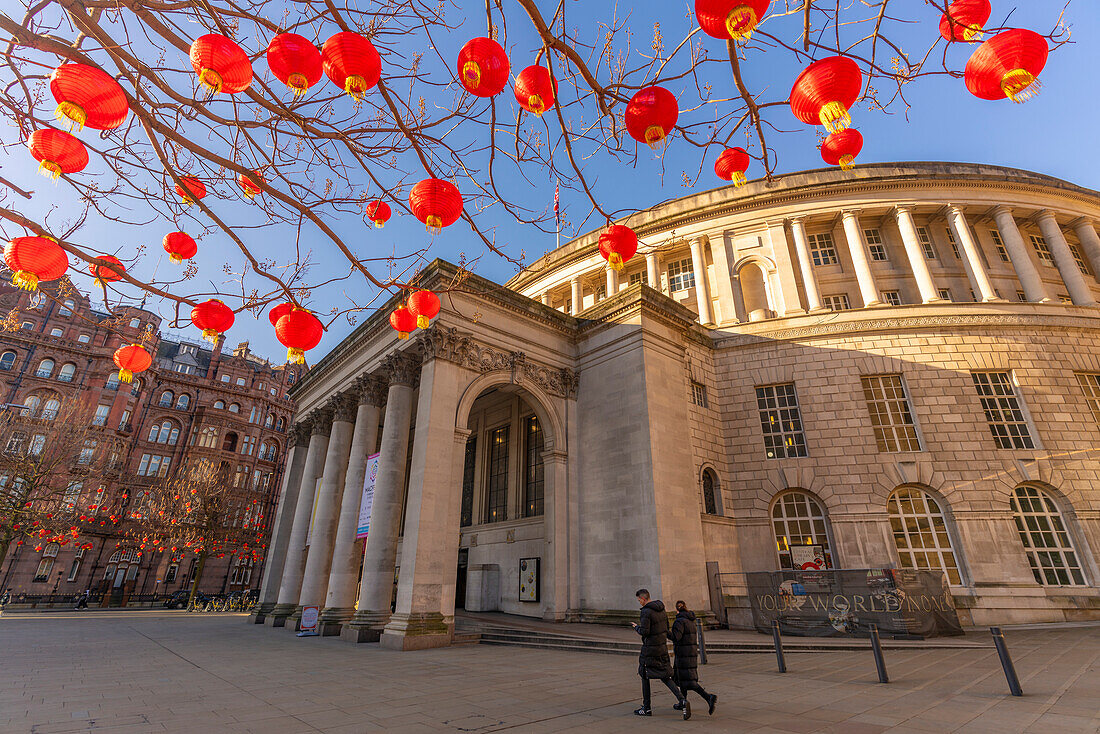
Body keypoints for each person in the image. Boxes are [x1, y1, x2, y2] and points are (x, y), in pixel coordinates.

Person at [631, 588, 689, 719]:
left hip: (650, 650)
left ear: (644, 599)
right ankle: (682, 700)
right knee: (665, 676)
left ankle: (646, 708)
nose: (639, 602)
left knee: (644, 675)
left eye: (639, 600)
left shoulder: (646, 611)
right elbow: (665, 628)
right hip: (661, 648)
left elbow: (645, 631)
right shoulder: (661, 609)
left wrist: (636, 627)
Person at [669, 600, 718, 715]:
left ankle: (708, 697)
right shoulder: (690, 620)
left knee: (689, 681)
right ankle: (683, 702)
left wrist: (665, 632)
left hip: (683, 654)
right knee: (683, 680)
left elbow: (676, 637)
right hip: (690, 652)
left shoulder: (680, 621)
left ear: (677, 609)